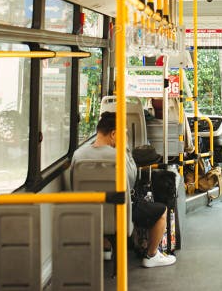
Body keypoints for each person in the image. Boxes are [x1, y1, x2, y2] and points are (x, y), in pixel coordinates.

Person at [72, 112, 176, 268]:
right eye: (124, 134)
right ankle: (152, 255)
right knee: (161, 211)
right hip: (120, 213)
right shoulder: (119, 156)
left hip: (88, 214)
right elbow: (131, 181)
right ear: (114, 134)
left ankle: (106, 248)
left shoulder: (78, 154)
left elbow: (73, 185)